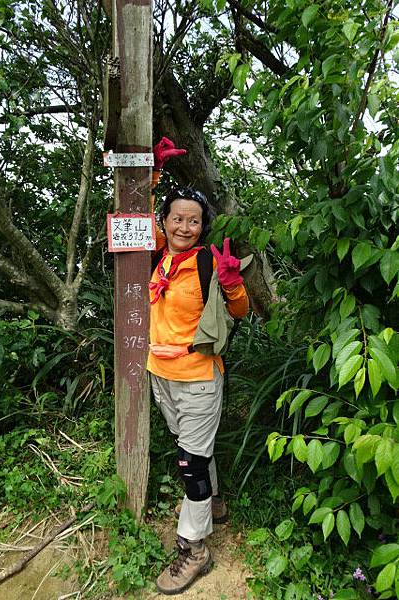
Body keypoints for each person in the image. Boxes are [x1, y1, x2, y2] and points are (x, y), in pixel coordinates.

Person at [148, 138, 250, 595]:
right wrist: (148, 176)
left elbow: (241, 310)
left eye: (193, 220)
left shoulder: (207, 261)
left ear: (202, 226)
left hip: (199, 377)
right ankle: (215, 503)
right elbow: (131, 224)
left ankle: (195, 549)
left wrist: (231, 283)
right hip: (160, 374)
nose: (184, 226)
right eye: (177, 218)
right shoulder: (157, 257)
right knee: (192, 449)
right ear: (165, 222)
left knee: (190, 462)